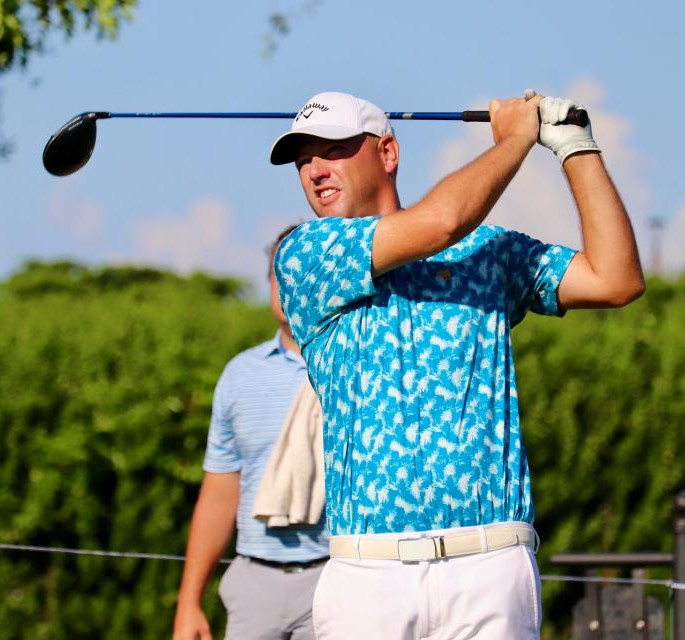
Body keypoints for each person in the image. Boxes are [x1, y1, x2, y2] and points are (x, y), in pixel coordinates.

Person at [269, 91, 645, 639]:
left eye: (334, 150)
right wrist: (517, 137)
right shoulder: (307, 253)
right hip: (368, 572)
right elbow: (441, 221)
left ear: (387, 153)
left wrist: (574, 146)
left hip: (490, 561)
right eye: (304, 159)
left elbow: (616, 279)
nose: (315, 169)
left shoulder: (485, 251)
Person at [173, 229, 329, 640]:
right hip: (254, 584)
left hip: (336, 579)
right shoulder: (240, 375)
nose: (288, 283)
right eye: (279, 272)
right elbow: (220, 493)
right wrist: (189, 603)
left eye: (301, 271)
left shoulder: (355, 365)